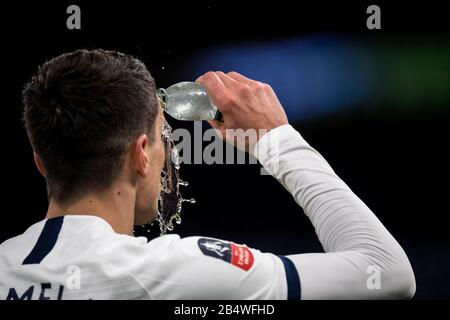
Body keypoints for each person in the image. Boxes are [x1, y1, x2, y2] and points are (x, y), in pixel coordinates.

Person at [0, 49, 415, 300]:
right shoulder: (172, 273)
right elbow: (386, 272)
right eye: (163, 135)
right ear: (142, 154)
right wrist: (277, 140)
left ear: (40, 160)